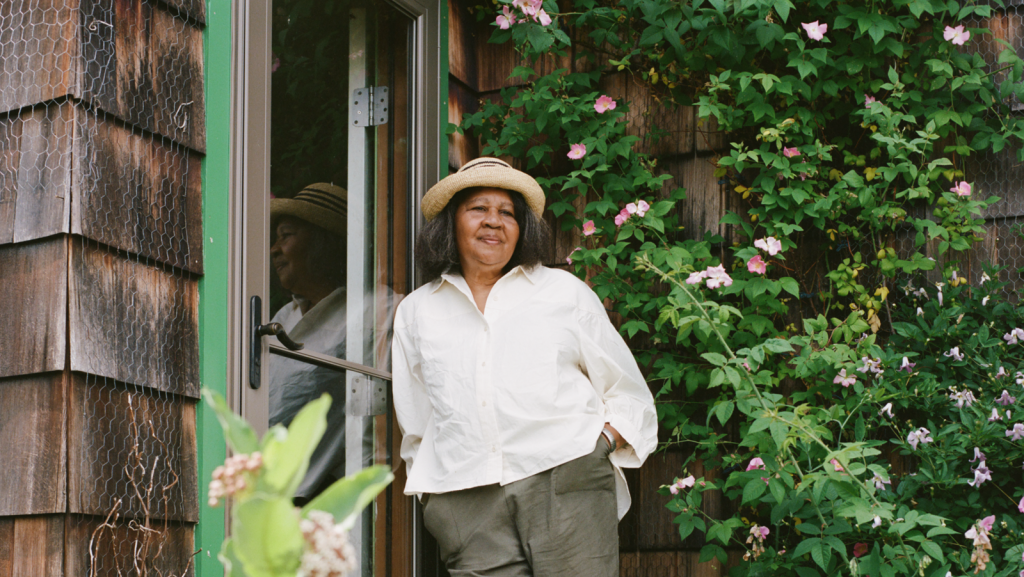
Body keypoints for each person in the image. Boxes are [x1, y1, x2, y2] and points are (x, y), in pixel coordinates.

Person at [392, 157, 659, 576]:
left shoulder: (563, 293)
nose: (493, 222)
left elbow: (626, 391)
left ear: (522, 230)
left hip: (565, 477)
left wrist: (598, 447)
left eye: (507, 213)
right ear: (450, 223)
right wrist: (436, 501)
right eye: (478, 208)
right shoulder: (416, 311)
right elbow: (417, 420)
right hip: (465, 497)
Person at [267, 182, 349, 504]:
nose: (274, 249)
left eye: (286, 236)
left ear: (322, 242)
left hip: (326, 498)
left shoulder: (372, 313)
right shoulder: (283, 316)